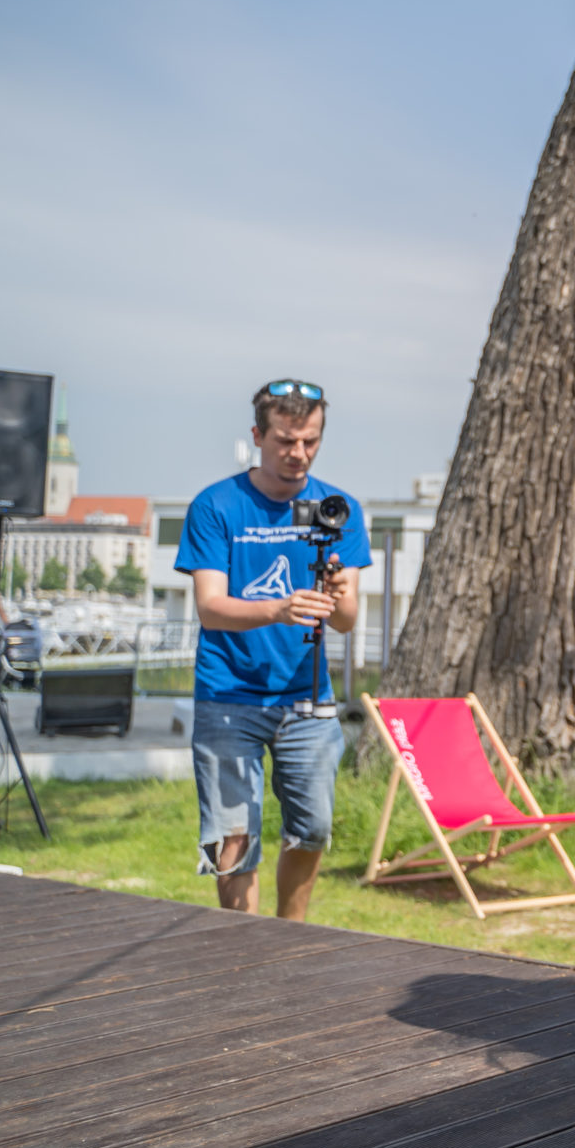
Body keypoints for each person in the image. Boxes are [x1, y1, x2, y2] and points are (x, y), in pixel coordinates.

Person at [174, 381, 368, 921]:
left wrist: (340, 593)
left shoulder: (336, 509)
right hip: (227, 696)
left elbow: (347, 621)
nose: (298, 453)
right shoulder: (217, 505)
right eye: (285, 440)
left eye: (310, 441)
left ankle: (290, 935)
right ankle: (241, 946)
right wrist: (279, 609)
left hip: (307, 699)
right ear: (258, 435)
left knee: (314, 829)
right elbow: (210, 608)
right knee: (230, 837)